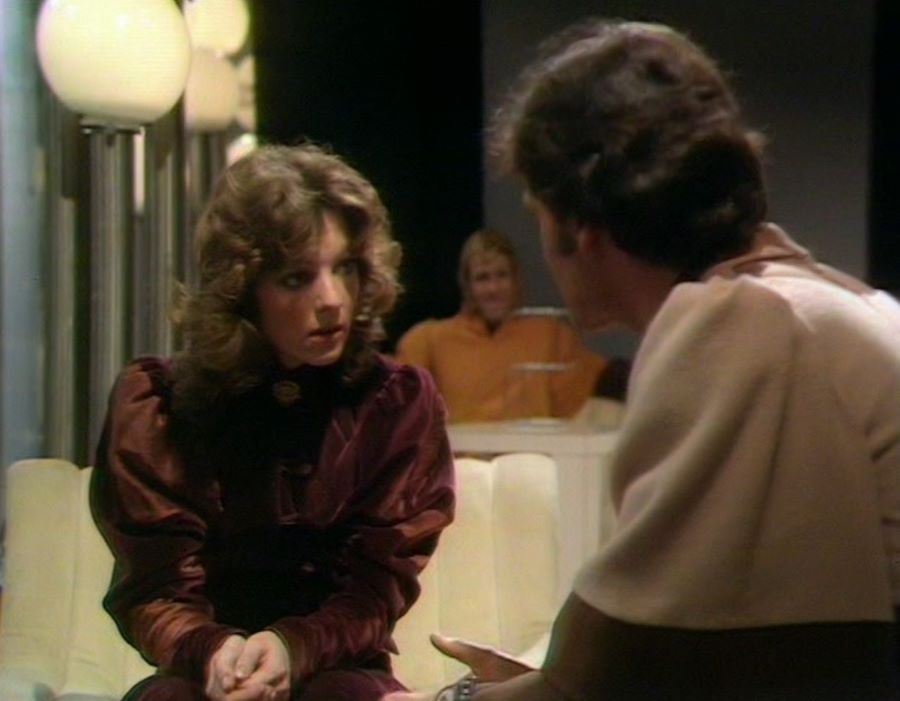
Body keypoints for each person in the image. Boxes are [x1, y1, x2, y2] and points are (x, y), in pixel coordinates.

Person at [385, 18, 900, 701]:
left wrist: (452, 698)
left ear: (578, 225)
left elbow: (610, 676)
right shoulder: (814, 302)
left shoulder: (741, 326)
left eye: (537, 211)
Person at [90, 144, 456, 701]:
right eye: (296, 278)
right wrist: (214, 654)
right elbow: (155, 586)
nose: (331, 300)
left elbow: (375, 588)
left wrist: (292, 648)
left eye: (344, 269)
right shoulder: (160, 404)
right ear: (244, 290)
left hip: (337, 665)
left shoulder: (394, 404)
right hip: (202, 670)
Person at [395, 227, 614, 423]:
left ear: (516, 280)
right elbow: (400, 404)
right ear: (467, 286)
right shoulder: (430, 340)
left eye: (502, 275)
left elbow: (594, 394)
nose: (493, 288)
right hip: (464, 454)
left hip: (532, 452)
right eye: (482, 278)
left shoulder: (552, 335)